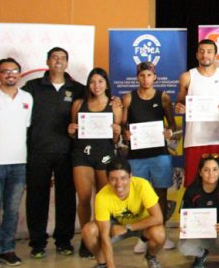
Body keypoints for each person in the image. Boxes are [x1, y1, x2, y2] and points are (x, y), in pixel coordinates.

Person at [22, 47, 84, 258]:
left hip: (68, 152)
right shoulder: (32, 87)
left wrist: (115, 102)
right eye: (54, 58)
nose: (58, 61)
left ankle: (64, 241)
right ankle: (37, 244)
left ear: (67, 63)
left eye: (63, 58)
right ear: (47, 61)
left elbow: (98, 104)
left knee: (66, 199)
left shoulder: (78, 89)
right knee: (36, 199)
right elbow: (13, 101)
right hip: (38, 151)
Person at [0, 58, 33, 268]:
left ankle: (8, 249)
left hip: (18, 163)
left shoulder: (27, 98)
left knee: (12, 212)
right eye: (5, 71)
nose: (10, 74)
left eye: (14, 70)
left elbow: (25, 126)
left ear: (19, 73)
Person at [122, 62, 178, 253]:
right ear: (137, 77)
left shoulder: (163, 97)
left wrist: (170, 132)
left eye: (149, 75)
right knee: (140, 197)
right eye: (142, 75)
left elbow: (172, 124)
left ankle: (161, 233)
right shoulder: (128, 98)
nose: (145, 79)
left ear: (155, 77)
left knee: (161, 195)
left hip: (159, 154)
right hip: (136, 156)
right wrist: (125, 133)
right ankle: (143, 237)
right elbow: (123, 124)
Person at [68, 67, 122, 255]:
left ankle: (102, 236)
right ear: (88, 84)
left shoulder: (115, 105)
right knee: (83, 198)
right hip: (82, 155)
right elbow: (74, 133)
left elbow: (115, 140)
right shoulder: (78, 104)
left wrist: (117, 132)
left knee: (102, 199)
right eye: (92, 81)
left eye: (100, 81)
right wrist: (71, 131)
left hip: (105, 155)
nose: (96, 85)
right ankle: (86, 238)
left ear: (106, 84)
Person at [81, 158, 166, 268]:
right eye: (113, 179)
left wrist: (128, 227)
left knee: (159, 234)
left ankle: (151, 257)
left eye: (123, 178)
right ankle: (102, 264)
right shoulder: (101, 196)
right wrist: (111, 266)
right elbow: (104, 236)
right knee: (88, 230)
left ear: (131, 176)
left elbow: (158, 218)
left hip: (142, 225)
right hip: (115, 226)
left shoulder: (142, 185)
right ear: (107, 180)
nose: (119, 184)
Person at [175, 39, 219, 187]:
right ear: (197, 55)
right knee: (193, 183)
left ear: (215, 55)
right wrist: (180, 108)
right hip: (194, 138)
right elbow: (179, 104)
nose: (205, 55)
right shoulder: (187, 77)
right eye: (202, 52)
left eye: (209, 52)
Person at [179, 155, 219, 268]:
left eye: (215, 169)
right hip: (200, 233)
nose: (211, 173)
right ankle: (201, 254)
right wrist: (185, 227)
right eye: (206, 170)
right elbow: (185, 217)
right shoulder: (191, 191)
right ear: (200, 172)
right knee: (183, 247)